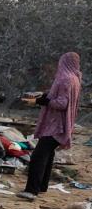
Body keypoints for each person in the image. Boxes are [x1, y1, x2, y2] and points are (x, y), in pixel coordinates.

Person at [21, 51, 82, 200]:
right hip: (63, 124)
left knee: (38, 156)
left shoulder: (65, 79)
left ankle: (31, 191)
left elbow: (61, 103)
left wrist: (41, 101)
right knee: (47, 155)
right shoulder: (75, 78)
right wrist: (43, 96)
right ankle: (42, 186)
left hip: (56, 124)